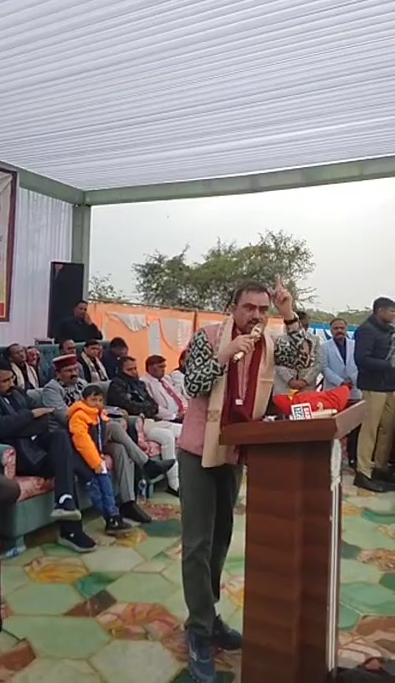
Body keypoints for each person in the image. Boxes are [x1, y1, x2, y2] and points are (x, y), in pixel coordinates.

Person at [179, 278, 309, 683]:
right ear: (233, 307)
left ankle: (208, 614)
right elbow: (193, 384)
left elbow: (302, 359)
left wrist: (288, 313)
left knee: (221, 538)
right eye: (249, 307)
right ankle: (199, 630)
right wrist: (225, 353)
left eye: (262, 309)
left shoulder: (268, 342)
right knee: (197, 544)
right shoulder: (207, 337)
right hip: (199, 450)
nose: (256, 315)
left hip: (235, 451)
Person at [0, 359, 97, 554]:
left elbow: (44, 418)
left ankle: (65, 502)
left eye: (12, 378)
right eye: (5, 381)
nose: (11, 383)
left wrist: (19, 424)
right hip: (20, 457)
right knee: (68, 460)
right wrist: (29, 416)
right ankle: (71, 527)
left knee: (61, 438)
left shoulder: (16, 393)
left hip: (36, 449)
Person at [42, 354, 174, 522]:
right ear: (57, 373)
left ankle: (127, 503)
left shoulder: (81, 384)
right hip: (70, 438)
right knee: (113, 427)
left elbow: (98, 405)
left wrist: (115, 411)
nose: (74, 373)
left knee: (120, 449)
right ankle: (147, 464)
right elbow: (66, 417)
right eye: (68, 371)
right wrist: (99, 415)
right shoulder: (51, 390)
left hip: (93, 433)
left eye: (75, 369)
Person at [108, 357, 180, 497]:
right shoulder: (116, 386)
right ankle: (174, 483)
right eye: (129, 369)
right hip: (139, 424)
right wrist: (146, 408)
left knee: (185, 430)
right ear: (120, 370)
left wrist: (146, 408)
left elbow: (153, 405)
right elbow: (130, 407)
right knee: (167, 437)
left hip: (152, 420)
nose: (134, 372)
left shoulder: (139, 384)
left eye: (135, 368)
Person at [68, 384, 132, 536]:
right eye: (93, 400)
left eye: (100, 400)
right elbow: (83, 442)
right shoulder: (79, 416)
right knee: (95, 489)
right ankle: (110, 518)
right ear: (84, 400)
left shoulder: (98, 414)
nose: (97, 403)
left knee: (107, 487)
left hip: (96, 457)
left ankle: (113, 516)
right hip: (82, 459)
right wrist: (96, 462)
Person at [354, 297, 395, 492]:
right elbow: (361, 360)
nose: (394, 315)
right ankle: (363, 472)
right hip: (373, 387)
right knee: (369, 430)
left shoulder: (389, 331)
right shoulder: (366, 330)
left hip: (390, 386)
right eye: (391, 311)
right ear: (380, 311)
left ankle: (380, 467)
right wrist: (389, 365)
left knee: (387, 429)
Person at [322, 318, 361, 467]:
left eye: (342, 328)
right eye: (336, 328)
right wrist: (341, 382)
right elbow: (324, 368)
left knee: (355, 427)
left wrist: (352, 380)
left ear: (346, 329)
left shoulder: (355, 345)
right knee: (334, 426)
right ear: (331, 330)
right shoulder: (324, 347)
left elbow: (359, 364)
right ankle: (331, 457)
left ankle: (352, 458)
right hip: (334, 392)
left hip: (354, 391)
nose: (339, 331)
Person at [273, 309, 322, 395]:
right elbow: (278, 363)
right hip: (284, 388)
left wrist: (305, 381)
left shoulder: (314, 340)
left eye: (306, 325)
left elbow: (318, 363)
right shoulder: (280, 339)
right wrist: (290, 380)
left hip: (307, 388)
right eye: (301, 325)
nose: (304, 328)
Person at [142, 354, 187, 422]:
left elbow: (179, 396)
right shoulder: (144, 382)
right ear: (150, 368)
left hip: (181, 414)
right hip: (166, 419)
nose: (163, 370)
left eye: (164, 367)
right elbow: (153, 406)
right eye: (160, 367)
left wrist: (185, 410)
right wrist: (174, 416)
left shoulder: (165, 379)